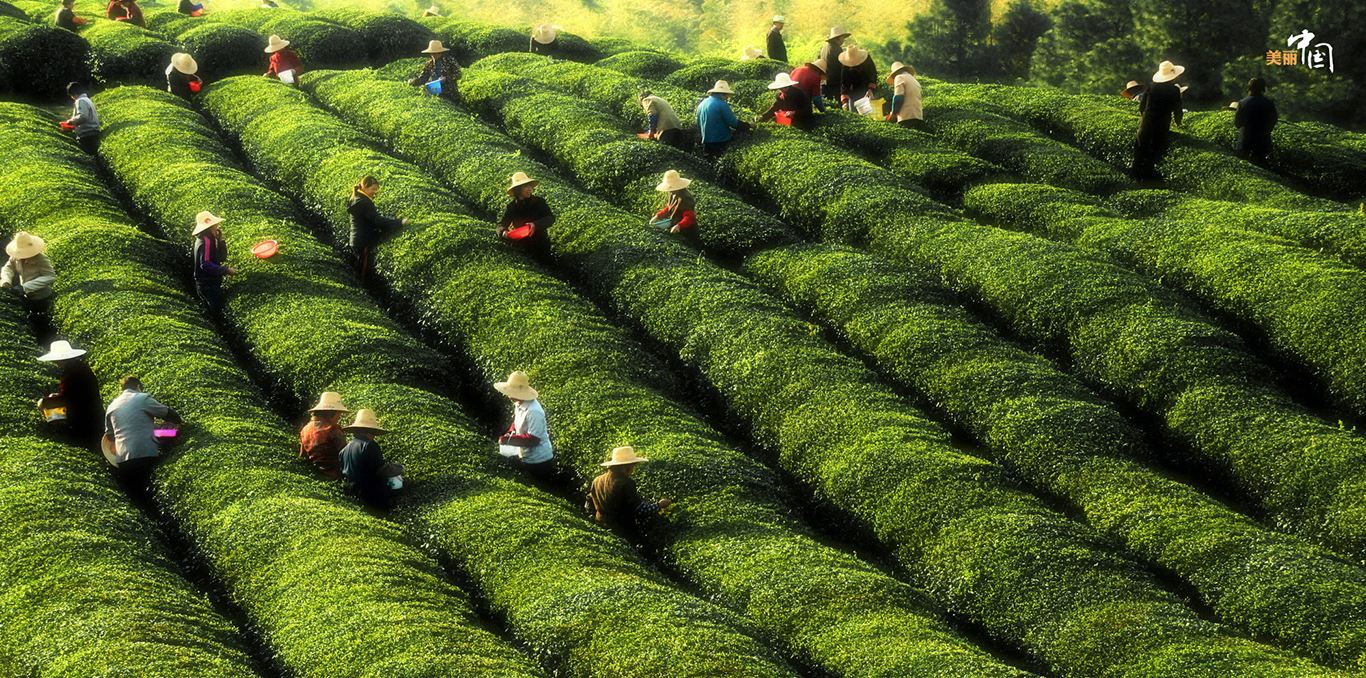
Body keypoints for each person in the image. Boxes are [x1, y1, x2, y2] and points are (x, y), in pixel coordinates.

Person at [103, 375, 182, 494]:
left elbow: (109, 436)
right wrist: (178, 423)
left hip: (122, 459)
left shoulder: (111, 406)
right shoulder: (142, 398)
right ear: (138, 387)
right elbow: (169, 414)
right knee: (149, 488)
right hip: (145, 453)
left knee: (135, 492)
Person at [584, 446, 671, 533]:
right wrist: (659, 505)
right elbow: (640, 510)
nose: (633, 470)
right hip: (621, 529)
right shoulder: (626, 483)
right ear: (625, 468)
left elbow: (588, 502)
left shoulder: (597, 480)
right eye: (633, 466)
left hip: (600, 525)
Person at [493, 371, 557, 483]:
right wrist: (510, 432)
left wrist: (508, 440)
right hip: (525, 455)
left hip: (539, 461)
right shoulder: (519, 403)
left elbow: (533, 440)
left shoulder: (534, 411)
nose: (508, 395)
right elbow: (517, 422)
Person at [38, 340, 102, 445]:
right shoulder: (79, 367)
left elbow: (67, 399)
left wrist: (44, 402)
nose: (56, 364)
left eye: (57, 361)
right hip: (91, 413)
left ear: (62, 360)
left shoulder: (72, 372)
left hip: (85, 418)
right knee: (52, 399)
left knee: (46, 404)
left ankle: (62, 432)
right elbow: (72, 394)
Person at [1131, 60, 1185, 181]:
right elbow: (1178, 110)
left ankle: (1134, 176)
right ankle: (1148, 177)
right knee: (1155, 150)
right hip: (1162, 125)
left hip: (1147, 122)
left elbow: (1142, 106)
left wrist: (1143, 118)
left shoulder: (1151, 87)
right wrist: (1178, 123)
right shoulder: (1174, 90)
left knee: (1140, 149)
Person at [347, 176, 406, 283]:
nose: (375, 192)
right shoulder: (363, 202)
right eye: (373, 189)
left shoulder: (358, 198)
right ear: (365, 187)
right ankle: (361, 293)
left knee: (361, 267)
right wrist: (399, 223)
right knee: (363, 272)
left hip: (358, 240)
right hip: (363, 241)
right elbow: (377, 220)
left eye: (376, 189)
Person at [1, 231, 57, 343]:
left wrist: (26, 287)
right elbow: (7, 268)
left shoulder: (41, 259)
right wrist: (6, 281)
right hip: (26, 297)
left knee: (43, 324)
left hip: (42, 297)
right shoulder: (15, 257)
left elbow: (50, 276)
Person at [339, 409, 396, 510]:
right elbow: (381, 471)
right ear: (368, 431)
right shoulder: (370, 445)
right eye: (373, 432)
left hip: (351, 493)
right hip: (370, 495)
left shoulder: (345, 449)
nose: (374, 436)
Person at [497, 172, 555, 259]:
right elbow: (501, 224)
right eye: (526, 187)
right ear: (518, 190)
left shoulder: (539, 202)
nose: (530, 189)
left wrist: (535, 225)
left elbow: (550, 218)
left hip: (541, 245)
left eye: (530, 186)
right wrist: (503, 231)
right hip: (523, 247)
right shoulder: (512, 207)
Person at [191, 211, 235, 315]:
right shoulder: (204, 242)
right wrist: (225, 270)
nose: (217, 227)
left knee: (216, 310)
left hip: (209, 283)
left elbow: (221, 258)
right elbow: (205, 264)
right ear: (209, 227)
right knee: (216, 312)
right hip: (207, 285)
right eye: (215, 225)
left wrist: (220, 241)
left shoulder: (208, 239)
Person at [299, 391, 348, 479]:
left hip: (315, 474)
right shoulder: (333, 430)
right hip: (335, 476)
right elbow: (346, 456)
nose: (339, 417)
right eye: (338, 414)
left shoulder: (305, 429)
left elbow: (302, 456)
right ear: (331, 413)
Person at [696, 80, 747, 158]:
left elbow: (698, 122)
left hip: (706, 141)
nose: (727, 98)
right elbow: (733, 122)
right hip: (720, 141)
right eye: (727, 95)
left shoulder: (702, 103)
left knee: (710, 162)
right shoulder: (721, 104)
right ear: (723, 94)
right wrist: (747, 126)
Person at [1234, 77, 1278, 165]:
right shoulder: (1269, 103)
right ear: (1263, 88)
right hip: (1262, 141)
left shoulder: (1242, 103)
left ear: (1249, 88)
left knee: (1244, 167)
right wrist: (1266, 130)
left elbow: (1237, 122)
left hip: (1245, 140)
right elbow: (1273, 119)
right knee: (1261, 167)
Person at [650, 170, 696, 237]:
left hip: (687, 231)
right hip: (675, 226)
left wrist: (679, 226)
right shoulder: (673, 193)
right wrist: (658, 216)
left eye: (671, 187)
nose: (669, 190)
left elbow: (690, 217)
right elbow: (670, 208)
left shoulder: (686, 198)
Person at [61, 82, 101, 155]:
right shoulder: (87, 99)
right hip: (92, 132)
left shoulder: (81, 101)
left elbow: (83, 116)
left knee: (90, 154)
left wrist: (70, 122)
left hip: (87, 134)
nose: (72, 98)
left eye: (71, 95)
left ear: (74, 93)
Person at [838, 45, 876, 112]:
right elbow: (844, 82)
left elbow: (873, 74)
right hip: (853, 91)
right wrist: (844, 101)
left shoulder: (866, 59)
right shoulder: (845, 65)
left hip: (867, 89)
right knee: (854, 112)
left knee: (869, 113)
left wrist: (870, 90)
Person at [817, 26, 851, 102]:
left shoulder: (825, 47)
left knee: (830, 103)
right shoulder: (836, 49)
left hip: (825, 81)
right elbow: (843, 66)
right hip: (834, 81)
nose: (843, 40)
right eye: (842, 38)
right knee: (839, 104)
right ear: (837, 38)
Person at [886, 61, 923, 128]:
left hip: (906, 117)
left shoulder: (899, 77)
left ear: (894, 73)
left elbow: (898, 97)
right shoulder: (915, 80)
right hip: (918, 116)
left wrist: (893, 113)